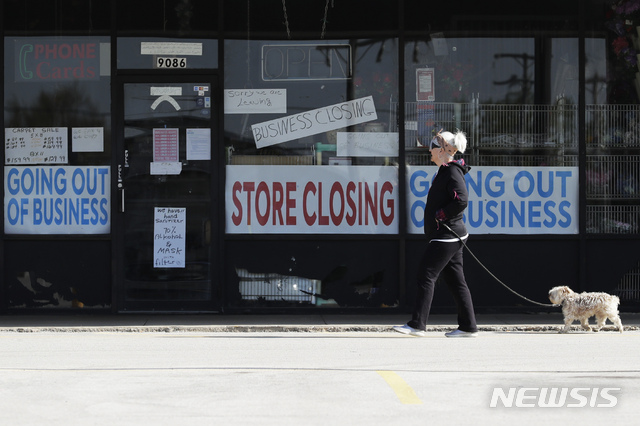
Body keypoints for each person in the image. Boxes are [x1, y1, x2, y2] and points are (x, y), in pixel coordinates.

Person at [394, 129, 478, 338]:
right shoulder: (445, 170)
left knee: (426, 275)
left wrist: (442, 214)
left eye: (431, 149)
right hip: (448, 234)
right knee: (456, 281)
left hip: (447, 235)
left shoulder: (451, 172)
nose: (429, 153)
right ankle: (468, 327)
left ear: (441, 150)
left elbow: (461, 200)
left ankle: (417, 324)